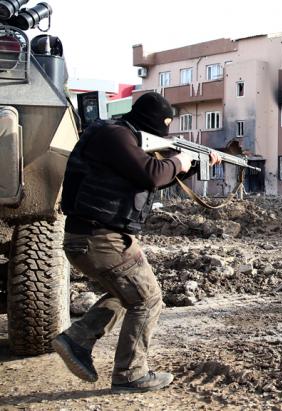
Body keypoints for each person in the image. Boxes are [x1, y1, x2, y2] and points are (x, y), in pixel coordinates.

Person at [52, 92, 221, 392]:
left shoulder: (120, 137)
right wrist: (179, 160)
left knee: (128, 294)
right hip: (99, 237)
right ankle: (130, 374)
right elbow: (150, 174)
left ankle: (77, 339)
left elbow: (152, 176)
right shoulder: (115, 136)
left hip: (96, 236)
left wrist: (193, 164)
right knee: (147, 298)